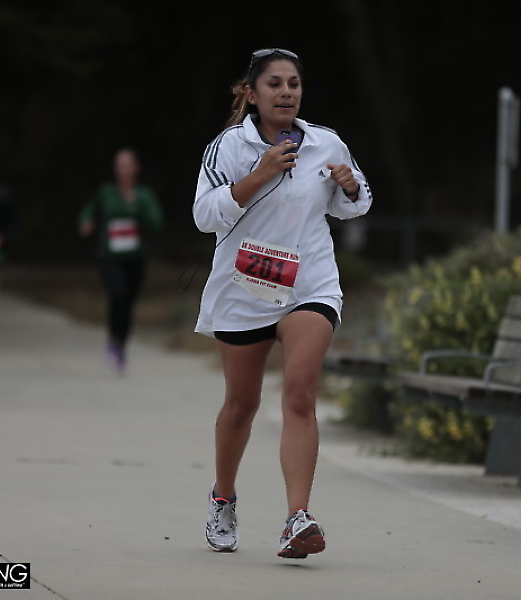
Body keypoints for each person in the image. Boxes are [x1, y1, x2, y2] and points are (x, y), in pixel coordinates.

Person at [193, 48, 373, 559]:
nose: (286, 92)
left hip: (309, 285)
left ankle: (298, 518)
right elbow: (204, 215)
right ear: (252, 94)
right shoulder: (230, 146)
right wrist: (260, 173)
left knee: (300, 392)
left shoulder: (325, 142)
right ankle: (223, 497)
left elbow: (356, 204)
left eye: (293, 83)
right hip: (245, 288)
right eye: (274, 84)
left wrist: (350, 186)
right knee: (241, 405)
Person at [78, 148, 163, 374]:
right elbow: (89, 210)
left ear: (136, 168)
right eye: (120, 166)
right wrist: (86, 221)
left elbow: (156, 222)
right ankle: (113, 341)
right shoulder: (106, 192)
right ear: (115, 169)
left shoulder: (143, 195)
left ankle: (120, 346)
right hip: (109, 255)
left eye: (128, 166)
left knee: (128, 302)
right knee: (118, 294)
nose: (124, 170)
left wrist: (139, 206)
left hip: (135, 257)